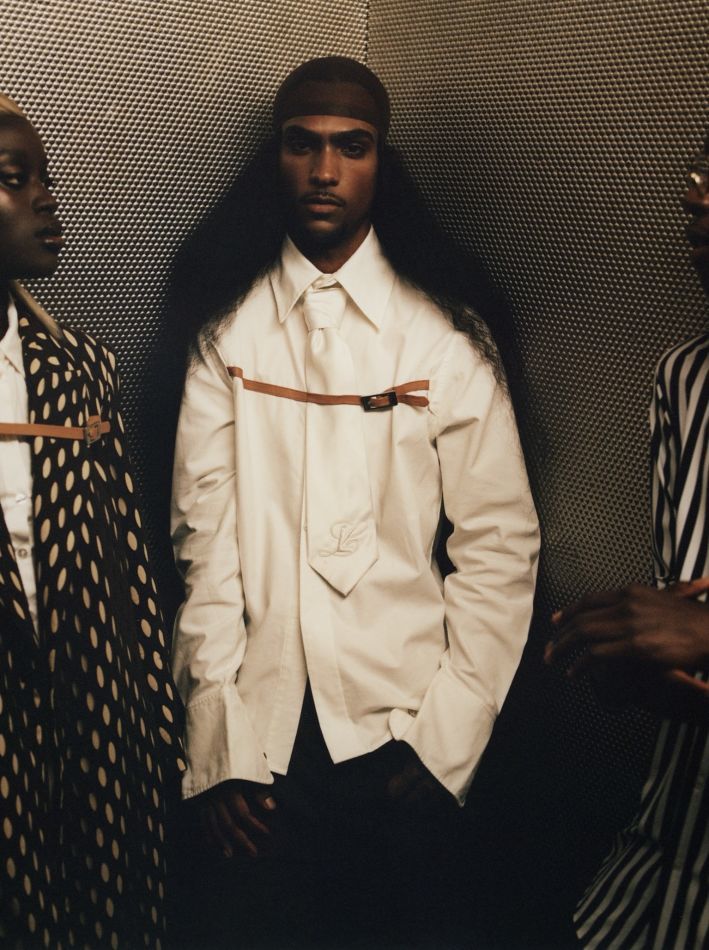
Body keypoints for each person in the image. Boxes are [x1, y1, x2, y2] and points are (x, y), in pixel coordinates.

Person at [170, 56, 540, 947]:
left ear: (383, 160)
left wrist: (446, 734)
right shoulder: (228, 333)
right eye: (302, 145)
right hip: (262, 751)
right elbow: (204, 546)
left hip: (403, 733)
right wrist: (218, 738)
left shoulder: (444, 338)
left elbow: (498, 546)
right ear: (275, 157)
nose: (325, 170)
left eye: (352, 146)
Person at [0, 94, 183, 949]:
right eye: (14, 178)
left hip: (95, 718)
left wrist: (157, 726)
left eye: (44, 176)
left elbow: (129, 566)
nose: (46, 198)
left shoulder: (78, 370)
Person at [546, 142, 709, 948]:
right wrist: (631, 666)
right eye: (699, 170)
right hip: (655, 873)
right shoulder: (683, 380)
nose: (695, 198)